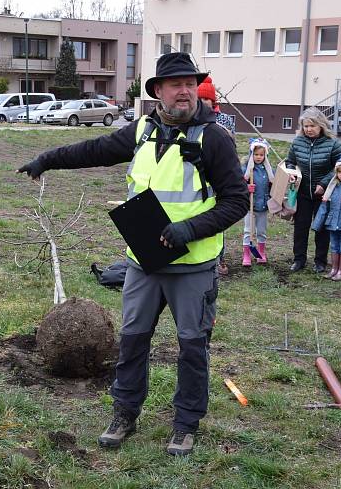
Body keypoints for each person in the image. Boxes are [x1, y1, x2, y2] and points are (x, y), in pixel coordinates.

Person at [17, 52, 248, 456]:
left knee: (193, 348)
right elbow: (94, 150)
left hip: (193, 266)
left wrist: (189, 229)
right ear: (158, 91)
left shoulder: (214, 139)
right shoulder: (142, 129)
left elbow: (237, 201)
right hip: (143, 263)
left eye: (191, 83)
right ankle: (125, 413)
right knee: (133, 341)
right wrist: (48, 159)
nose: (185, 91)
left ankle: (185, 424)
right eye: (176, 84)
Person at [285, 107, 341, 273]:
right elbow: (290, 162)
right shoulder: (297, 143)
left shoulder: (332, 144)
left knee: (322, 229)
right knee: (300, 228)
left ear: (321, 126)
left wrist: (324, 184)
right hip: (303, 193)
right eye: (305, 126)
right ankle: (299, 260)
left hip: (324, 195)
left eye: (312, 126)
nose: (309, 129)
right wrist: (292, 173)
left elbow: (339, 167)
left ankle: (320, 261)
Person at [197, 75, 236, 275]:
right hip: (199, 174)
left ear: (213, 101)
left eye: (206, 100)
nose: (202, 103)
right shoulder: (192, 121)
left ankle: (219, 258)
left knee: (219, 217)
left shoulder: (224, 120)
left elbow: (230, 146)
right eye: (199, 99)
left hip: (218, 173)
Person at [241, 138, 273, 266]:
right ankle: (247, 254)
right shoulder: (246, 170)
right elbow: (237, 185)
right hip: (250, 205)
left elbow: (274, 185)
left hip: (263, 205)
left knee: (261, 231)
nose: (259, 157)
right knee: (248, 230)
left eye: (261, 154)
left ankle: (260, 253)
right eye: (256, 154)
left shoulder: (268, 170)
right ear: (251, 155)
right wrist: (246, 188)